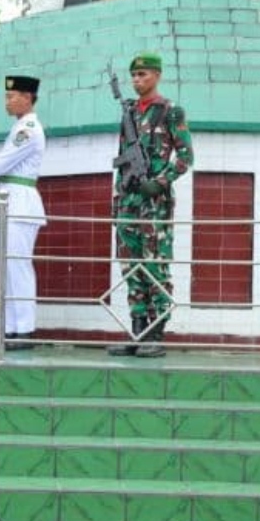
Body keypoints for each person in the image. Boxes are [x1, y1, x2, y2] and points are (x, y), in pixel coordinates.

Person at [108, 53, 194, 358]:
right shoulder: (129, 112)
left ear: (157, 75)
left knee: (155, 266)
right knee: (130, 267)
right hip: (129, 202)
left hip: (154, 204)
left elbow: (185, 158)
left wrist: (158, 182)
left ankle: (157, 333)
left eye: (142, 75)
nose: (136, 81)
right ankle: (138, 329)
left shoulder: (170, 111)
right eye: (134, 76)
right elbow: (122, 157)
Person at [0, 75, 46, 351]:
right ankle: (9, 330)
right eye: (6, 96)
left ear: (27, 98)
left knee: (17, 267)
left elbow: (0, 165)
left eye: (12, 96)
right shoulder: (18, 128)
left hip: (20, 205)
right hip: (7, 202)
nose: (8, 101)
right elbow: (0, 173)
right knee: (5, 268)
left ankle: (24, 330)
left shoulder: (27, 129)